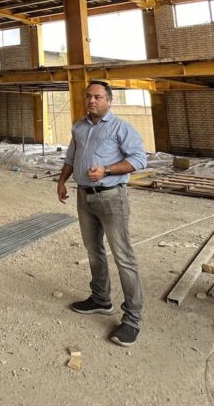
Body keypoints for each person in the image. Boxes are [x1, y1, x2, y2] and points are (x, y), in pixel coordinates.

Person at [56, 80, 147, 347]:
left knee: (123, 256)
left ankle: (132, 319)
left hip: (111, 198)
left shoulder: (121, 128)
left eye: (97, 97)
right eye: (88, 96)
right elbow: (70, 158)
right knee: (93, 250)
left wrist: (107, 170)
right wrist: (62, 181)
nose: (92, 101)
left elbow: (139, 159)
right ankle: (100, 299)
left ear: (109, 100)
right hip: (85, 197)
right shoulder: (79, 127)